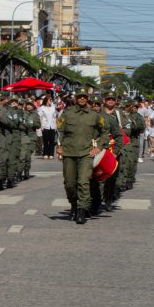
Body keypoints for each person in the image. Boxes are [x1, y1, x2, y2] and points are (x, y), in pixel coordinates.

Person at [57, 89, 103, 225]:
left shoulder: (94, 115)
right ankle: (74, 205)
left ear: (87, 99)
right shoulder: (67, 113)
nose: (82, 99)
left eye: (84, 97)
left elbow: (104, 132)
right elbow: (59, 131)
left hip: (86, 153)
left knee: (83, 182)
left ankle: (82, 210)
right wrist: (59, 145)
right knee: (70, 183)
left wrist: (98, 147)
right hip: (69, 152)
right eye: (80, 97)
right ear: (76, 98)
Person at [38, 95, 58, 159]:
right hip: (45, 126)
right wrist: (41, 126)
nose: (51, 101)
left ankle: (51, 154)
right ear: (46, 100)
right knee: (45, 140)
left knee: (52, 140)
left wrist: (56, 126)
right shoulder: (42, 108)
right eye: (50, 100)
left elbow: (55, 117)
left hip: (52, 125)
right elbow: (40, 117)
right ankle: (45, 153)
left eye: (51, 100)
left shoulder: (53, 107)